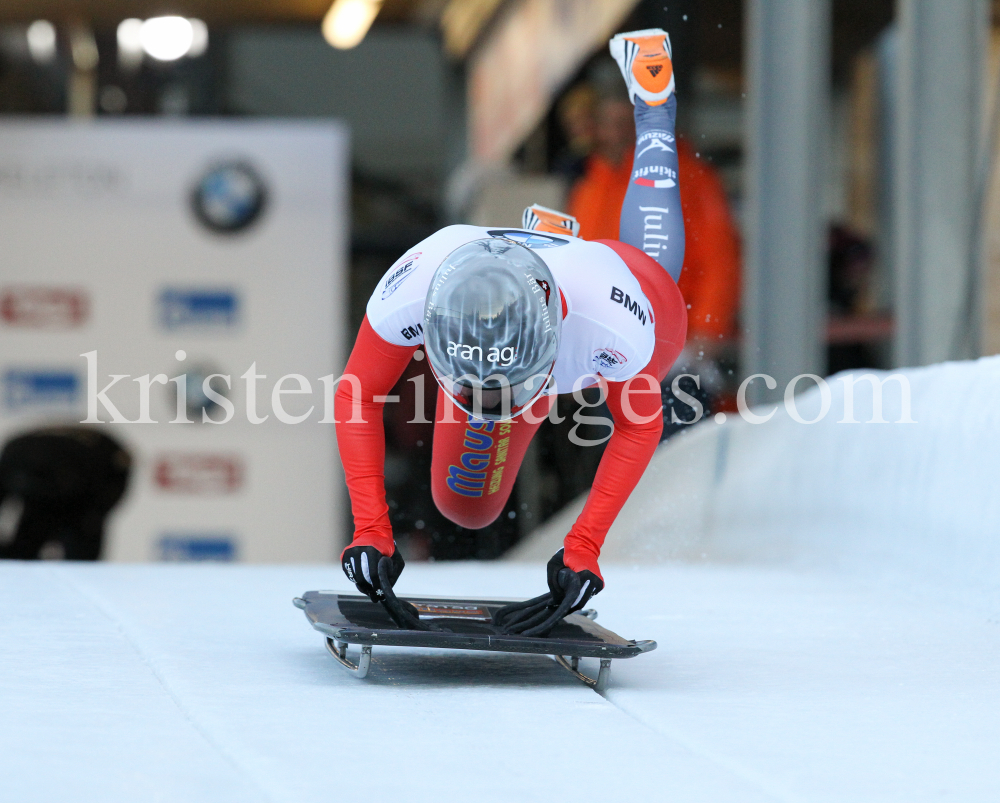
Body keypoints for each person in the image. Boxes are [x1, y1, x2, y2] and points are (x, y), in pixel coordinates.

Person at [335, 29, 687, 626]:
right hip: (514, 323)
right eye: (479, 392)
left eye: (505, 391)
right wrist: (369, 528)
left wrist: (585, 547)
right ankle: (548, 248)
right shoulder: (416, 285)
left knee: (661, 283)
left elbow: (635, 428)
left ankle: (655, 110)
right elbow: (357, 392)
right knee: (464, 506)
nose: (492, 405)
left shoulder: (613, 324)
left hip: (611, 281)